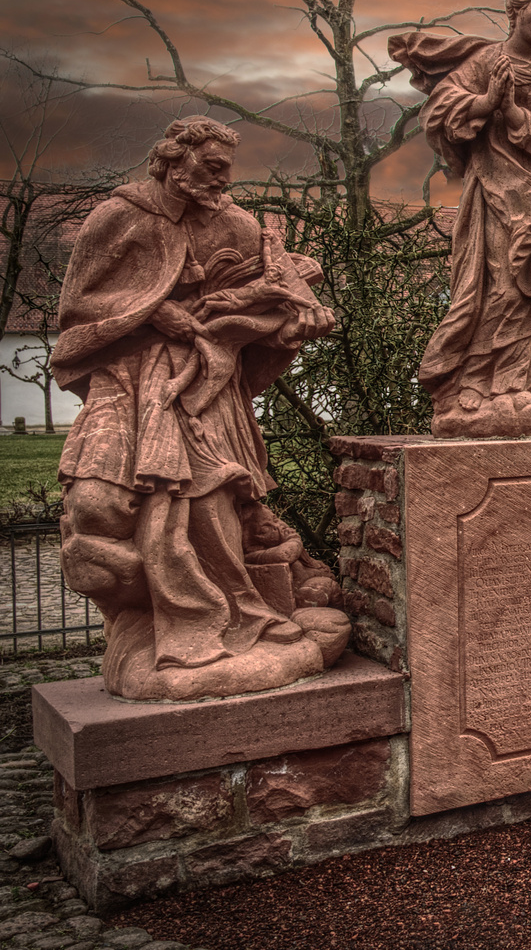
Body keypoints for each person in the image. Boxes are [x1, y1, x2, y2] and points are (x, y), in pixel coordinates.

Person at [53, 115, 350, 700]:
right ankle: (155, 620)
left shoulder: (232, 222)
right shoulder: (118, 216)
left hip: (206, 381)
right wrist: (152, 310)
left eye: (226, 169)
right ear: (173, 160)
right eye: (211, 166)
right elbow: (80, 305)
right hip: (129, 376)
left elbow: (279, 278)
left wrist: (293, 308)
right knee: (100, 502)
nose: (222, 179)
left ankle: (230, 614)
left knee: (209, 495)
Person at [389, 0, 531, 438]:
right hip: (495, 195)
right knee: (495, 286)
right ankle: (478, 381)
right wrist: (485, 102)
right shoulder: (485, 62)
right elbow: (437, 112)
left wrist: (514, 111)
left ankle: (525, 377)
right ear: (516, 9)